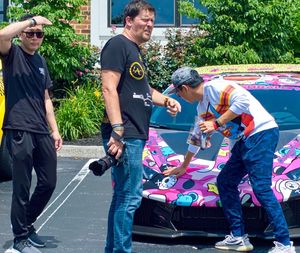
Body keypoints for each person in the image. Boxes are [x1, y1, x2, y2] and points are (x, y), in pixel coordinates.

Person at [163, 67, 296, 253]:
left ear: (184, 88)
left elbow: (242, 101)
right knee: (225, 181)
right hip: (244, 141)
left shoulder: (216, 87)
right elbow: (197, 138)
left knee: (261, 187)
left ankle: (284, 244)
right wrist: (183, 166)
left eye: (177, 92)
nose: (179, 97)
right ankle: (239, 237)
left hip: (261, 133)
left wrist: (216, 123)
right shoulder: (202, 107)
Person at [99, 1, 181, 252]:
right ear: (128, 21)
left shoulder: (135, 51)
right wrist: (118, 129)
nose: (150, 25)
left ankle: (113, 250)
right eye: (145, 19)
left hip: (134, 132)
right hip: (126, 132)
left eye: (152, 21)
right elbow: (108, 87)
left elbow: (144, 91)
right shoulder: (117, 45)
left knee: (123, 195)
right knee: (131, 197)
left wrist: (167, 100)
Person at [0, 14, 62, 253]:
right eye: (31, 33)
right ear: (22, 34)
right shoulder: (12, 54)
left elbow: (46, 98)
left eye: (39, 34)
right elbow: (3, 35)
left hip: (41, 130)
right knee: (22, 186)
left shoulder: (41, 62)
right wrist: (32, 20)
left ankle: (26, 222)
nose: (36, 37)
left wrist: (54, 130)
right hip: (19, 127)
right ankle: (20, 237)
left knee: (48, 182)